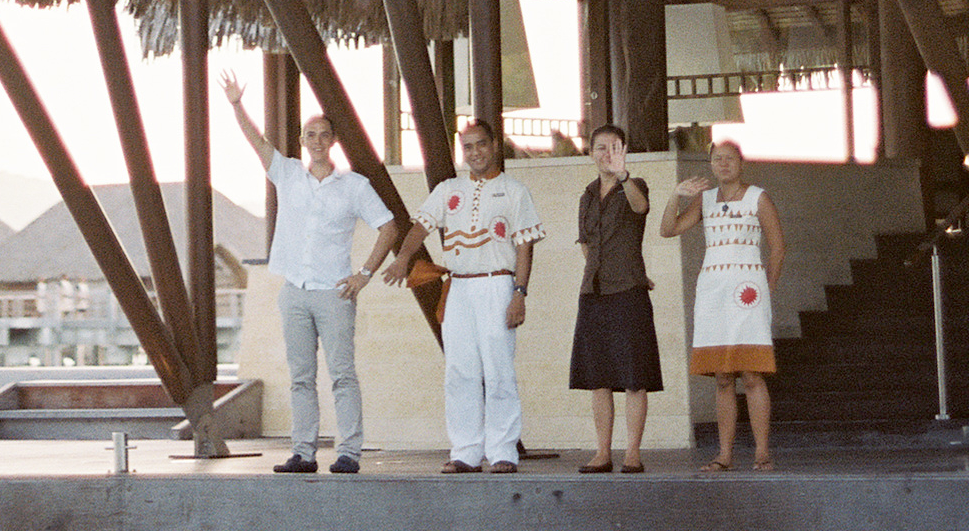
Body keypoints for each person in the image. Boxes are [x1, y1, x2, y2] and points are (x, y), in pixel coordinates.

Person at [222, 69, 403, 475]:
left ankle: (349, 452)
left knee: (342, 374)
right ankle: (302, 452)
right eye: (310, 135)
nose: (317, 142)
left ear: (333, 141)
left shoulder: (354, 185)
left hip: (334, 293)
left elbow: (389, 227)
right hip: (295, 291)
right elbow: (257, 142)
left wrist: (364, 274)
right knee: (301, 377)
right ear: (302, 142)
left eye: (324, 135)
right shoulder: (286, 173)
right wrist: (237, 104)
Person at [383, 119, 543, 474]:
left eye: (481, 144)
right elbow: (420, 226)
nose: (475, 153)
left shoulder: (515, 191)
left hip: (496, 284)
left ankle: (502, 450)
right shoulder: (448, 189)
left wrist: (519, 293)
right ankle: (466, 451)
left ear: (495, 145)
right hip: (458, 286)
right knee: (460, 371)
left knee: (499, 368)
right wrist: (404, 258)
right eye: (468, 147)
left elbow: (524, 248)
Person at [660, 136, 786, 472]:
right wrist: (675, 195)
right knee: (722, 376)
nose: (723, 164)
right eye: (717, 159)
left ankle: (762, 452)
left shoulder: (758, 197)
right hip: (713, 292)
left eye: (730, 158)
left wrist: (767, 287)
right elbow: (668, 229)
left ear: (741, 162)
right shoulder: (706, 199)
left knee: (752, 373)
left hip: (746, 292)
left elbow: (777, 247)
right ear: (711, 163)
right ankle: (724, 455)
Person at [569, 121, 662, 473]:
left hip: (628, 292)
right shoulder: (587, 195)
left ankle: (632, 452)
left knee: (635, 375)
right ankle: (603, 451)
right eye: (601, 148)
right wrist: (600, 270)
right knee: (599, 376)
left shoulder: (634, 186)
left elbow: (640, 210)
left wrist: (623, 176)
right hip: (594, 293)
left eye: (614, 147)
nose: (607, 154)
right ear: (591, 153)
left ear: (624, 152)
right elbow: (587, 245)